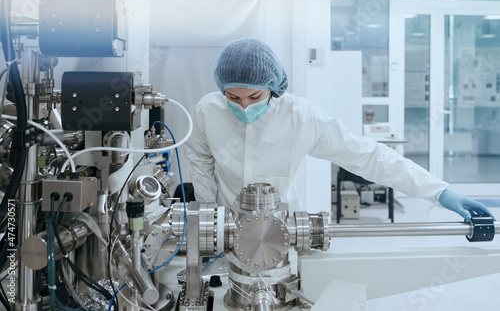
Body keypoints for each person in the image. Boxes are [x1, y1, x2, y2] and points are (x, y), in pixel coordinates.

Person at [184, 38, 494, 220]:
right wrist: (210, 218)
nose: (245, 107)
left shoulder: (300, 117)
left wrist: (439, 191)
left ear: (272, 87)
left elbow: (368, 156)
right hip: (224, 222)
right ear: (221, 89)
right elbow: (200, 163)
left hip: (281, 226)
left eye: (255, 97)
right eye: (233, 98)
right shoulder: (207, 111)